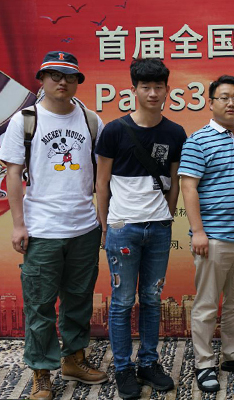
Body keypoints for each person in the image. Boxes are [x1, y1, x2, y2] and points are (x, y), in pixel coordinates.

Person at [0, 50, 107, 400]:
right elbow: (13, 174)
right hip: (42, 229)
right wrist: (19, 225)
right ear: (42, 79)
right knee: (40, 305)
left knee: (79, 299)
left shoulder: (91, 120)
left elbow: (102, 175)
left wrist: (102, 218)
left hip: (84, 227)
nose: (62, 82)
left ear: (77, 82)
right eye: (55, 75)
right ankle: (41, 372)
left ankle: (74, 359)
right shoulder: (25, 120)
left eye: (70, 77)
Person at [95, 58, 186, 399]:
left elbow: (174, 182)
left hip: (159, 228)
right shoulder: (114, 130)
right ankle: (122, 368)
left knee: (151, 298)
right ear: (133, 90)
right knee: (121, 302)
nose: (152, 93)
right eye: (145, 87)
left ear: (167, 90)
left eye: (158, 87)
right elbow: (101, 183)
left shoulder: (175, 132)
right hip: (123, 227)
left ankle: (148, 363)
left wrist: (167, 216)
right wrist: (106, 225)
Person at [178, 75, 234, 393]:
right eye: (224, 97)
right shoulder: (197, 141)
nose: (231, 103)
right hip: (213, 238)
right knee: (206, 305)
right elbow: (188, 188)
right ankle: (204, 363)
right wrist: (198, 232)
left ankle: (233, 355)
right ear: (211, 103)